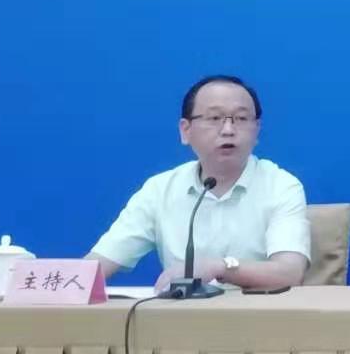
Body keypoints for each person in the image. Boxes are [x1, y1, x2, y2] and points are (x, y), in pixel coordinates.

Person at [87, 75, 310, 293]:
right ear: (186, 130)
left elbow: (290, 272)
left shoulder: (281, 186)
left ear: (257, 130)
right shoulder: (160, 190)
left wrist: (220, 267)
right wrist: (69, 281)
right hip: (183, 316)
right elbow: (100, 263)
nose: (228, 130)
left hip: (258, 315)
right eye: (214, 118)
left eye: (241, 119)